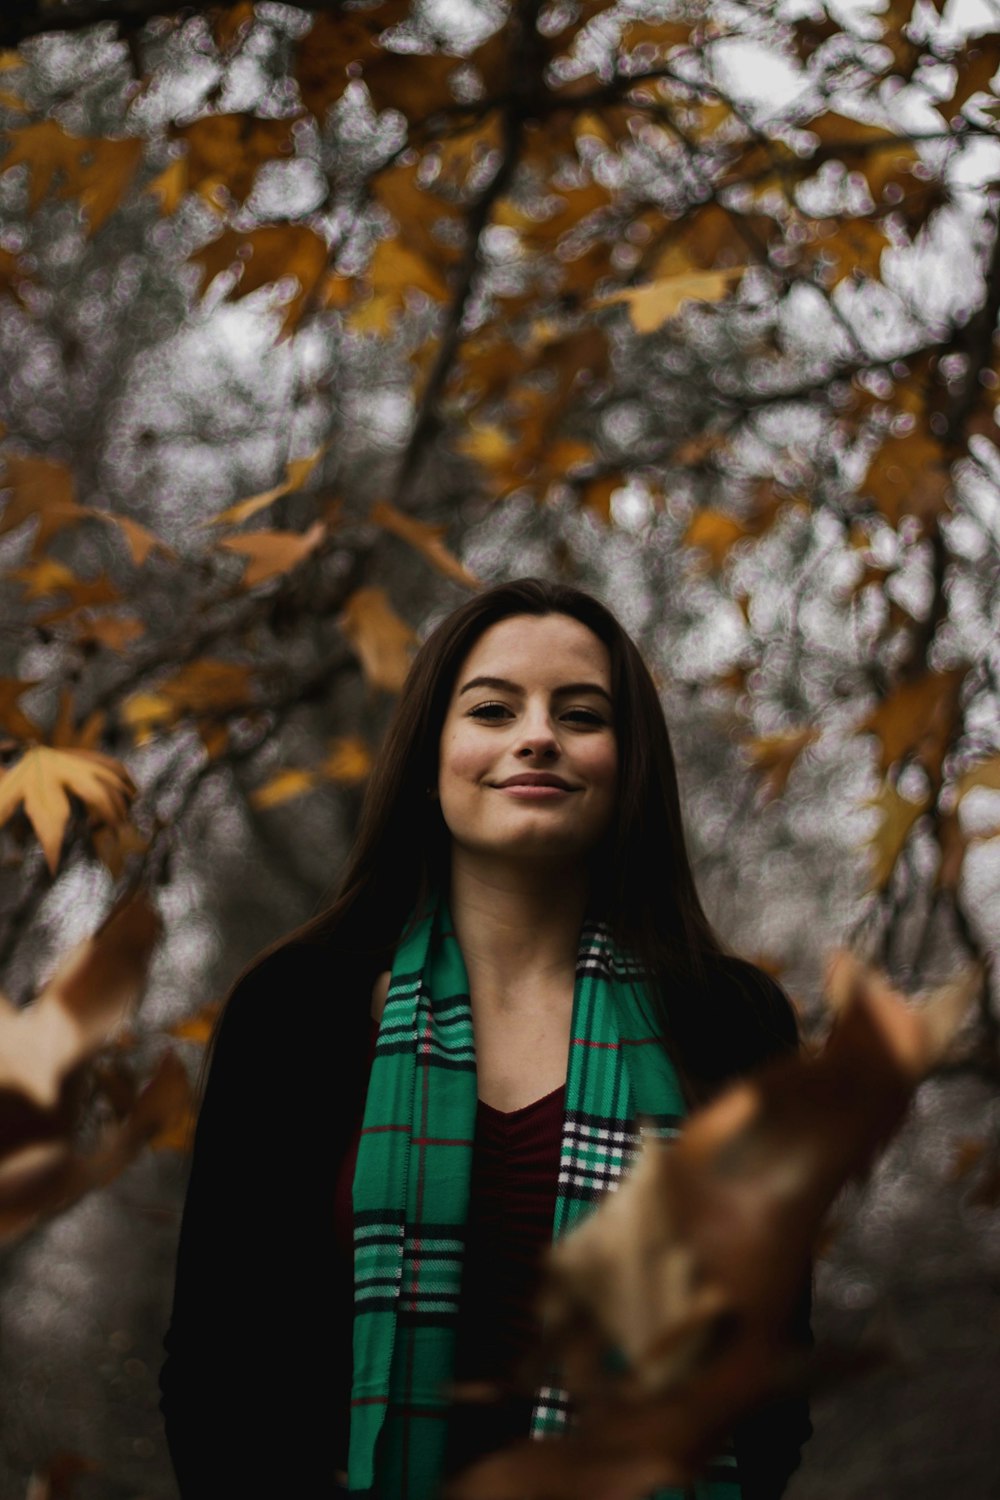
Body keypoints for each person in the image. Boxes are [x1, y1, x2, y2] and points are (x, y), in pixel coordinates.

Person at [159, 577, 811, 1500]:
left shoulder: (730, 1028)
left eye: (580, 713)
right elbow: (214, 1375)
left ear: (630, 764)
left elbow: (771, 1382)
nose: (537, 734)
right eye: (494, 709)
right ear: (433, 757)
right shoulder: (298, 1012)